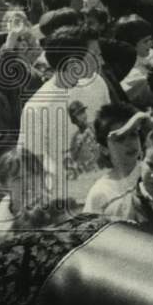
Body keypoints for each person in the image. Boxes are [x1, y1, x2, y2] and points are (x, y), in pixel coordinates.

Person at [17, 24, 111, 208]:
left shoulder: (98, 84)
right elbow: (30, 165)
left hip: (105, 192)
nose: (101, 60)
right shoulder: (38, 107)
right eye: (95, 55)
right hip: (69, 203)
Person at [84, 103, 149, 214]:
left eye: (133, 134)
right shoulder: (101, 191)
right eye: (120, 138)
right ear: (104, 149)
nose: (129, 143)